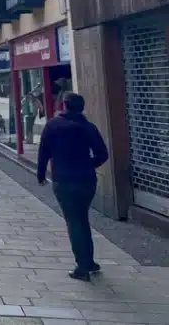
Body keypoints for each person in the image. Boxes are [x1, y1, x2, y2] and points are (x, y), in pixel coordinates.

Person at [36, 92, 109, 281]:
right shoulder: (88, 127)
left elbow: (44, 151)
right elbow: (102, 154)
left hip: (64, 180)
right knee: (82, 219)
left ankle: (83, 267)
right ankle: (89, 261)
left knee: (75, 222)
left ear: (64, 105)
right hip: (87, 180)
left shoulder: (53, 126)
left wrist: (41, 174)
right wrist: (87, 164)